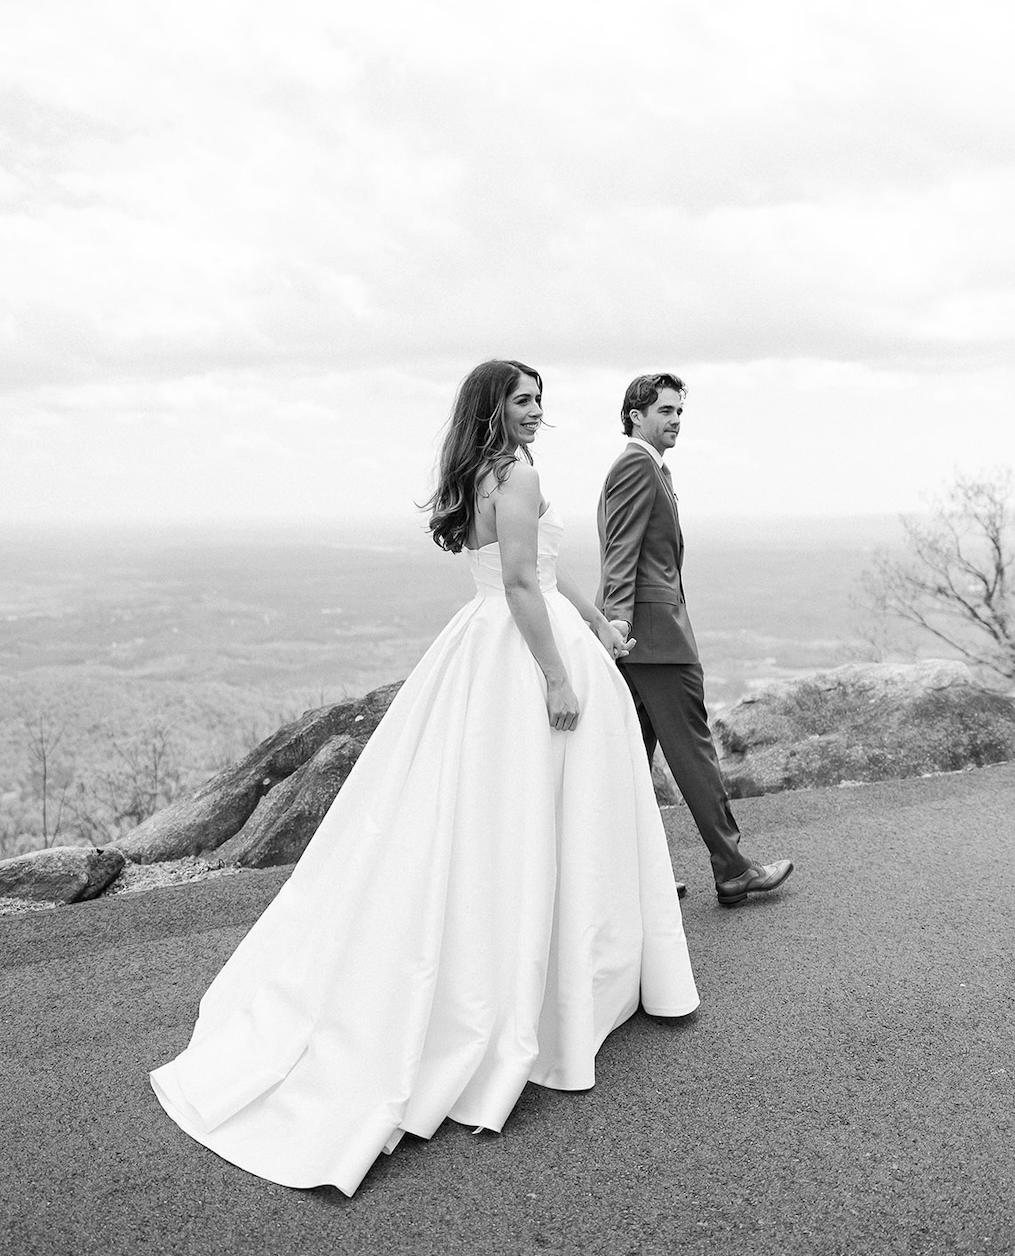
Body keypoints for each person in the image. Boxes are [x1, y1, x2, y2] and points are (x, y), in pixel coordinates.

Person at [150, 359, 698, 1197]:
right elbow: (520, 584)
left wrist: (596, 622)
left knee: (504, 817)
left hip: (498, 638)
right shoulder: (517, 472)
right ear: (493, 407)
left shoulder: (484, 471)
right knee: (538, 816)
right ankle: (545, 985)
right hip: (520, 649)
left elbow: (543, 575)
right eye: (521, 399)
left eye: (540, 400)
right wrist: (557, 673)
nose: (536, 411)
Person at [596, 372, 794, 908]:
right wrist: (614, 626)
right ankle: (733, 869)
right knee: (695, 753)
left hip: (640, 637)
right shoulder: (637, 465)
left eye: (680, 412)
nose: (676, 420)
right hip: (653, 641)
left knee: (629, 762)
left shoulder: (650, 467)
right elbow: (621, 553)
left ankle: (630, 880)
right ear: (635, 415)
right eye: (665, 411)